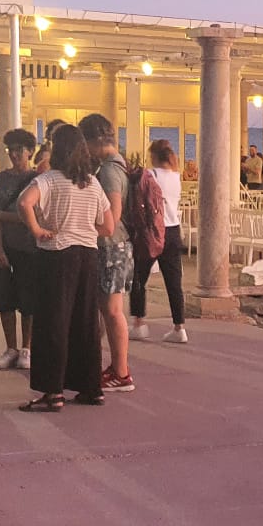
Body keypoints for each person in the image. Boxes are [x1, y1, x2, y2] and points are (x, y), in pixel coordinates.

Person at [19, 124, 111, 410]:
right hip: (88, 255)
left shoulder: (49, 179)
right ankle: (91, 387)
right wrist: (85, 229)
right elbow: (108, 226)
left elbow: (24, 202)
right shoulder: (92, 183)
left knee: (53, 322)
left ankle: (53, 391)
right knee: (86, 322)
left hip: (57, 255)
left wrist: (37, 229)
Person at [78, 112, 136, 394]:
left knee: (112, 312)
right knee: (109, 310)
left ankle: (121, 372)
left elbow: (112, 215)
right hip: (118, 245)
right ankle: (115, 368)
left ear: (94, 141)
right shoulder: (118, 165)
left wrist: (85, 226)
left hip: (112, 246)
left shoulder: (110, 171)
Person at [0, 128, 41, 371]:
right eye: (11, 150)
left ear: (30, 152)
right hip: (6, 245)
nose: (15, 154)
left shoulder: (37, 179)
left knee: (29, 301)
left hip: (29, 248)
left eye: (20, 150)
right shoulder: (0, 180)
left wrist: (2, 215)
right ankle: (11, 348)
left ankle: (26, 348)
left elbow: (33, 217)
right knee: (3, 298)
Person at [130, 136, 187, 343]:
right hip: (173, 230)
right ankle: (179, 327)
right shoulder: (176, 177)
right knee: (174, 282)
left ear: (153, 156)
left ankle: (139, 323)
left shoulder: (150, 175)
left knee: (139, 278)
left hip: (153, 231)